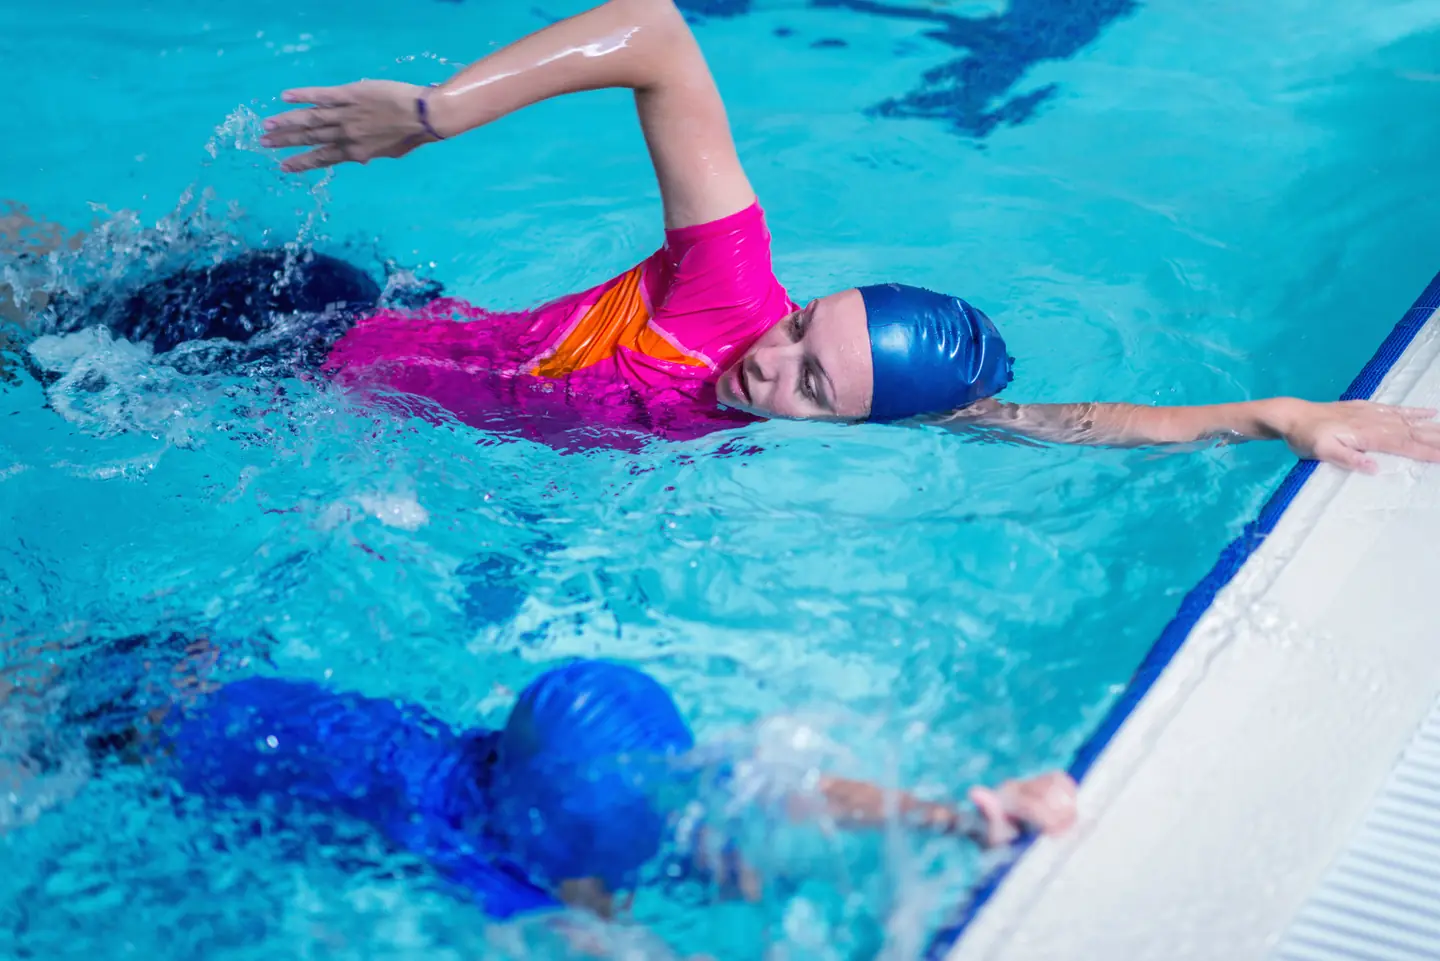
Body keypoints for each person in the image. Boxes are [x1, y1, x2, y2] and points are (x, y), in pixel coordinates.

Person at [10, 0, 1439, 467]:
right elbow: (660, 34)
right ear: (807, 298)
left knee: (58, 280)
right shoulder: (726, 292)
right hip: (301, 328)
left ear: (861, 424)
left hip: (360, 359)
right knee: (38, 314)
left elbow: (1043, 422)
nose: (776, 372)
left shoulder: (865, 395)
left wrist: (1265, 415)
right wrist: (441, 115)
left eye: (816, 392)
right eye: (805, 338)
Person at [45, 631, 1076, 922]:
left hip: (212, 675)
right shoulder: (470, 861)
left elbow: (778, 788)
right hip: (156, 726)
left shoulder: (599, 782)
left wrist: (954, 817)